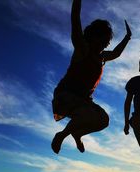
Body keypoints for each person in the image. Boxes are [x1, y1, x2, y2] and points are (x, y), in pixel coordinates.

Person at [51, 0, 131, 154]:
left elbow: (116, 53)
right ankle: (61, 135)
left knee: (103, 120)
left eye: (108, 41)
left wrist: (127, 38)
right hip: (65, 96)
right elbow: (75, 20)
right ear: (95, 36)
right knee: (87, 114)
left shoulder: (101, 57)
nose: (107, 44)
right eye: (105, 40)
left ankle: (78, 133)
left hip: (83, 101)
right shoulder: (82, 48)